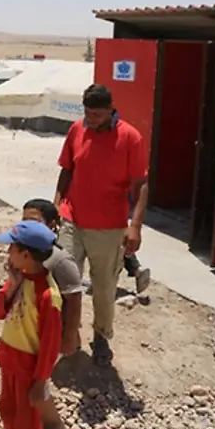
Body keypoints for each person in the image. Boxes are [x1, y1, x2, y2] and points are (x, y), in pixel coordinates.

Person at [54, 83, 148, 367]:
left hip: (108, 227)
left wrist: (135, 226)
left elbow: (141, 184)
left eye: (96, 114)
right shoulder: (76, 130)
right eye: (87, 113)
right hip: (72, 219)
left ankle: (102, 336)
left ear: (110, 110)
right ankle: (68, 333)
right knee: (65, 281)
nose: (90, 119)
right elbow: (67, 169)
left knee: (104, 286)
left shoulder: (130, 138)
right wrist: (57, 205)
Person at [0, 220, 62, 429]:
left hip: (27, 369)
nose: (7, 252)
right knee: (7, 414)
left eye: (11, 247)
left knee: (28, 427)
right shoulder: (20, 279)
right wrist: (11, 284)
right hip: (9, 360)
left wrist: (41, 380)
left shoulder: (48, 296)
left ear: (26, 255)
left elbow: (50, 343)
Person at [20, 198, 84, 429]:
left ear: (53, 225)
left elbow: (74, 301)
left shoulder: (60, 261)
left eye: (34, 222)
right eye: (24, 221)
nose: (27, 227)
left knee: (37, 382)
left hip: (51, 334)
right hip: (30, 330)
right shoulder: (26, 252)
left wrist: (69, 336)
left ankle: (54, 426)